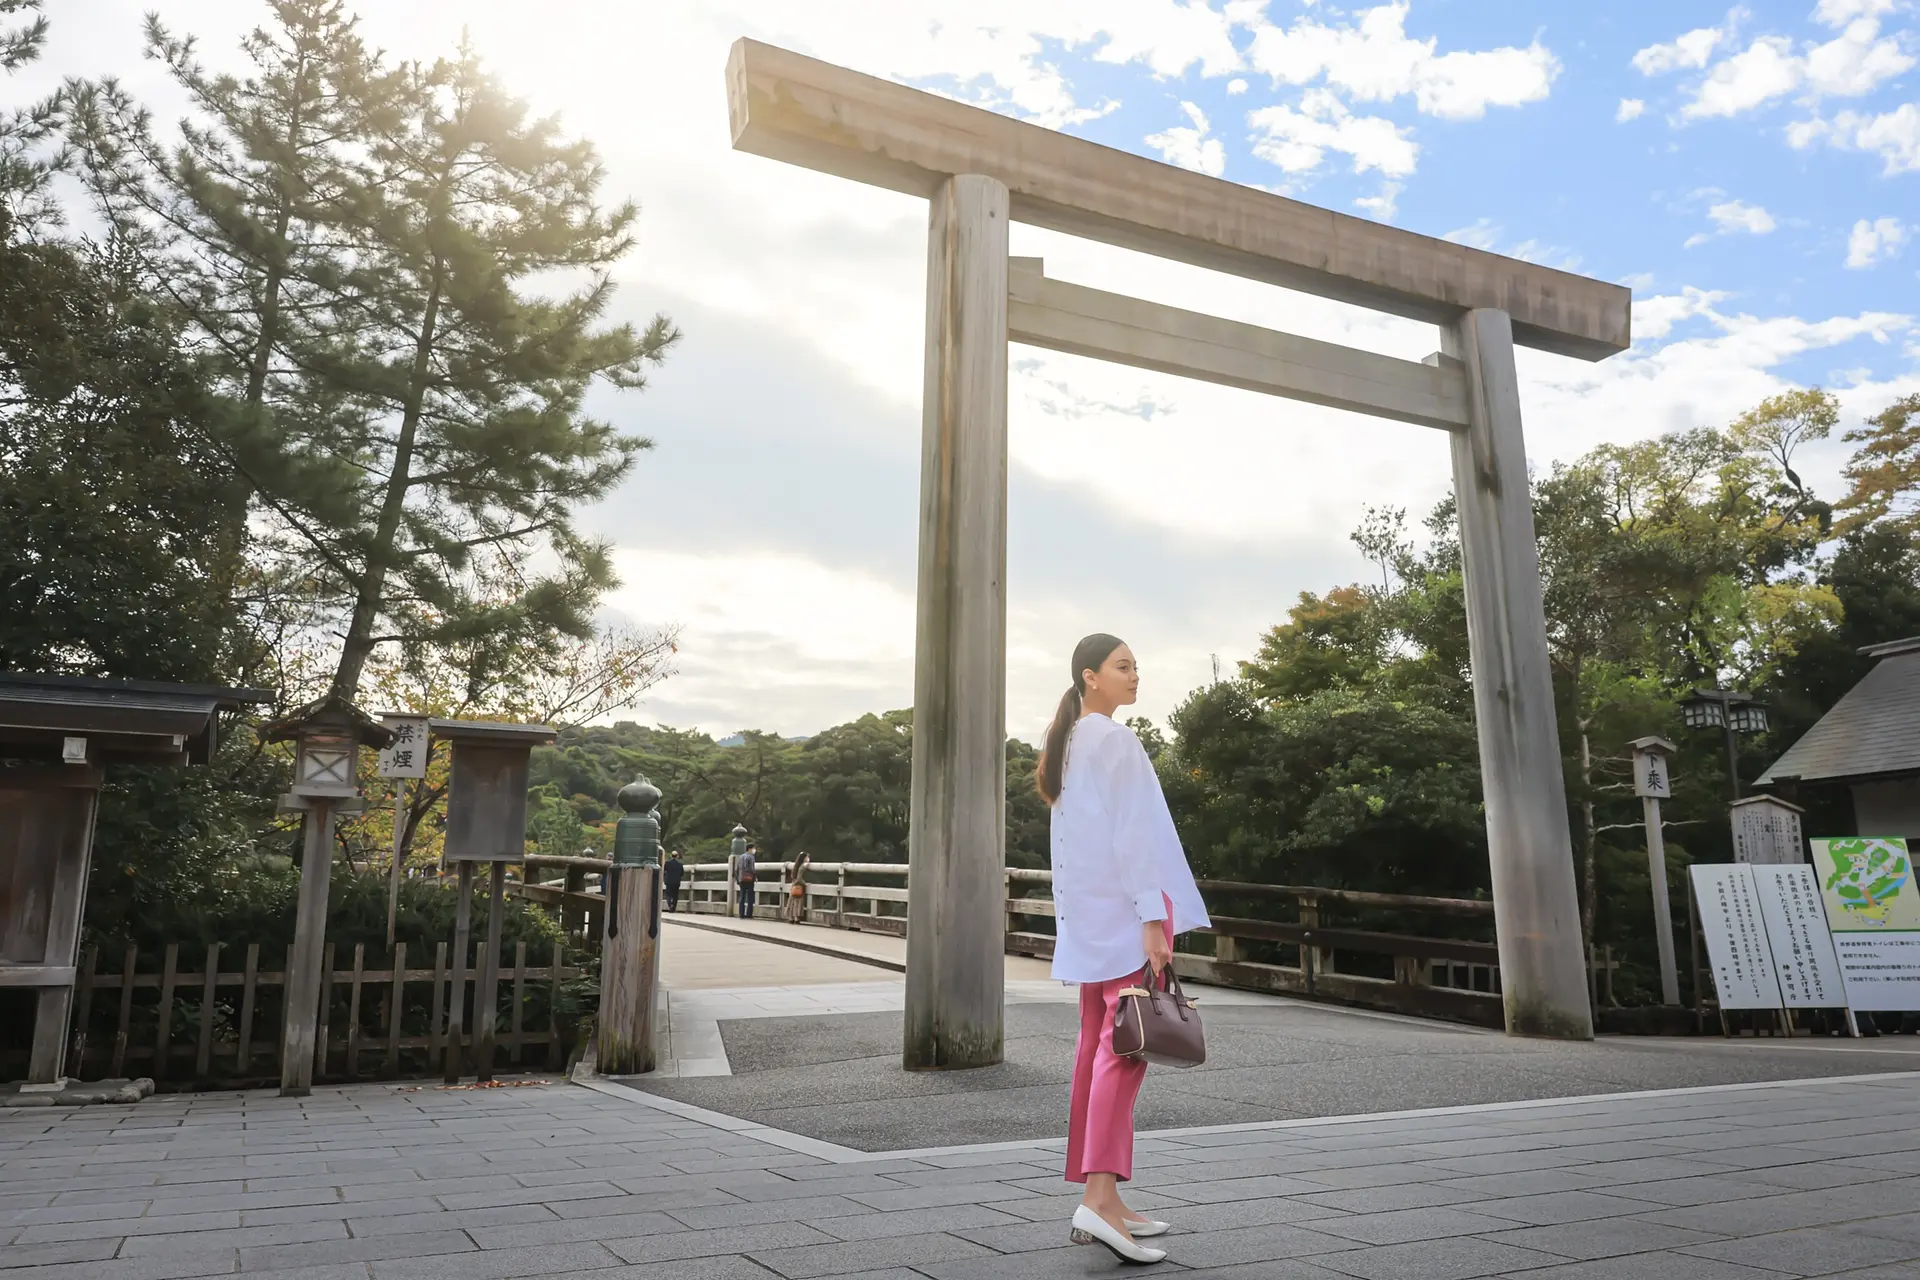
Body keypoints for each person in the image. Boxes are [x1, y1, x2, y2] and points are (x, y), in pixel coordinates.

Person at [1038, 633, 1208, 1267]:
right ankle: (1099, 1194)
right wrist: (1151, 919)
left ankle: (1106, 1199)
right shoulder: (1114, 739)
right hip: (1124, 914)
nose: (1135, 675)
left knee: (1096, 1047)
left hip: (1089, 915)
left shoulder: (1073, 740)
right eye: (1122, 666)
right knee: (1126, 1050)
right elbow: (1135, 837)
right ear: (1090, 677)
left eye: (1136, 665)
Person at [784, 852, 811, 923]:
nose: (808, 858)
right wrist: (805, 884)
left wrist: (794, 883)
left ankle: (790, 917)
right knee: (798, 902)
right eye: (807, 857)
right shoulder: (803, 866)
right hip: (799, 886)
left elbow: (793, 876)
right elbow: (799, 878)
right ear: (804, 858)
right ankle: (796, 917)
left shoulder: (796, 865)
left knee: (792, 901)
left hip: (794, 885)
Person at [737, 844, 757, 919]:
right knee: (750, 896)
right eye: (753, 848)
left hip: (741, 879)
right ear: (749, 849)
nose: (754, 850)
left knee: (742, 896)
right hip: (749, 879)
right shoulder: (751, 857)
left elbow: (737, 868)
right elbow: (751, 868)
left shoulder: (741, 857)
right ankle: (749, 914)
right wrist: (755, 876)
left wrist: (738, 878)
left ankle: (741, 914)